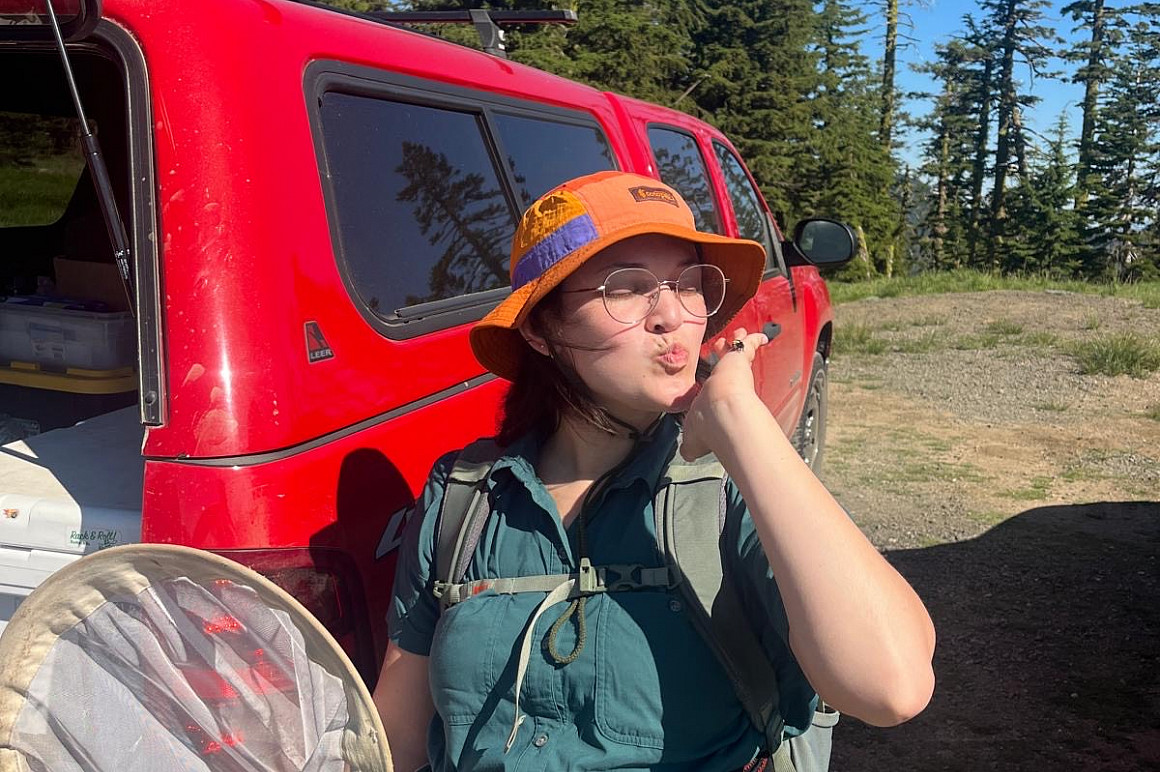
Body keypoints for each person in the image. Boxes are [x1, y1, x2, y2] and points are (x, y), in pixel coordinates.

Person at [373, 171, 935, 772]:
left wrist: (740, 419)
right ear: (541, 329)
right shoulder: (466, 494)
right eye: (627, 288)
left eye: (689, 284)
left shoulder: (731, 492)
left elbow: (891, 687)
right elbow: (398, 734)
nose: (673, 316)